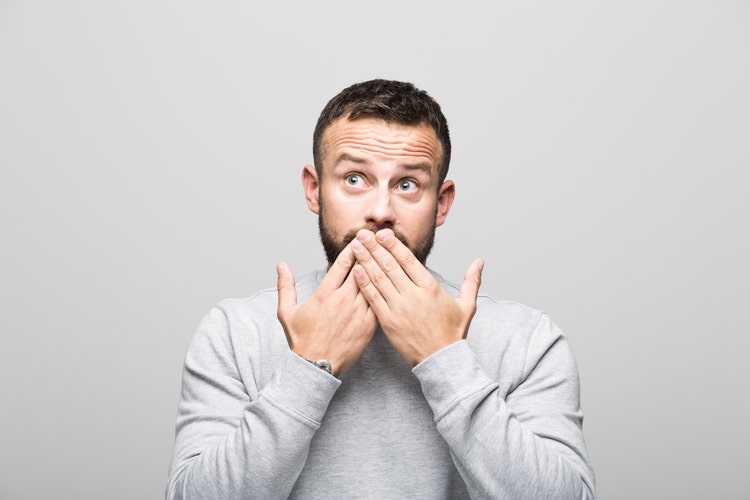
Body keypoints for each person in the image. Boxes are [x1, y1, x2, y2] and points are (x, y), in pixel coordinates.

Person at [166, 79, 596, 499]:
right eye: (355, 178)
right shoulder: (234, 332)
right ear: (314, 190)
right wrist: (305, 372)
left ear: (441, 203)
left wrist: (444, 361)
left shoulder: (526, 339)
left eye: (408, 184)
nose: (380, 212)